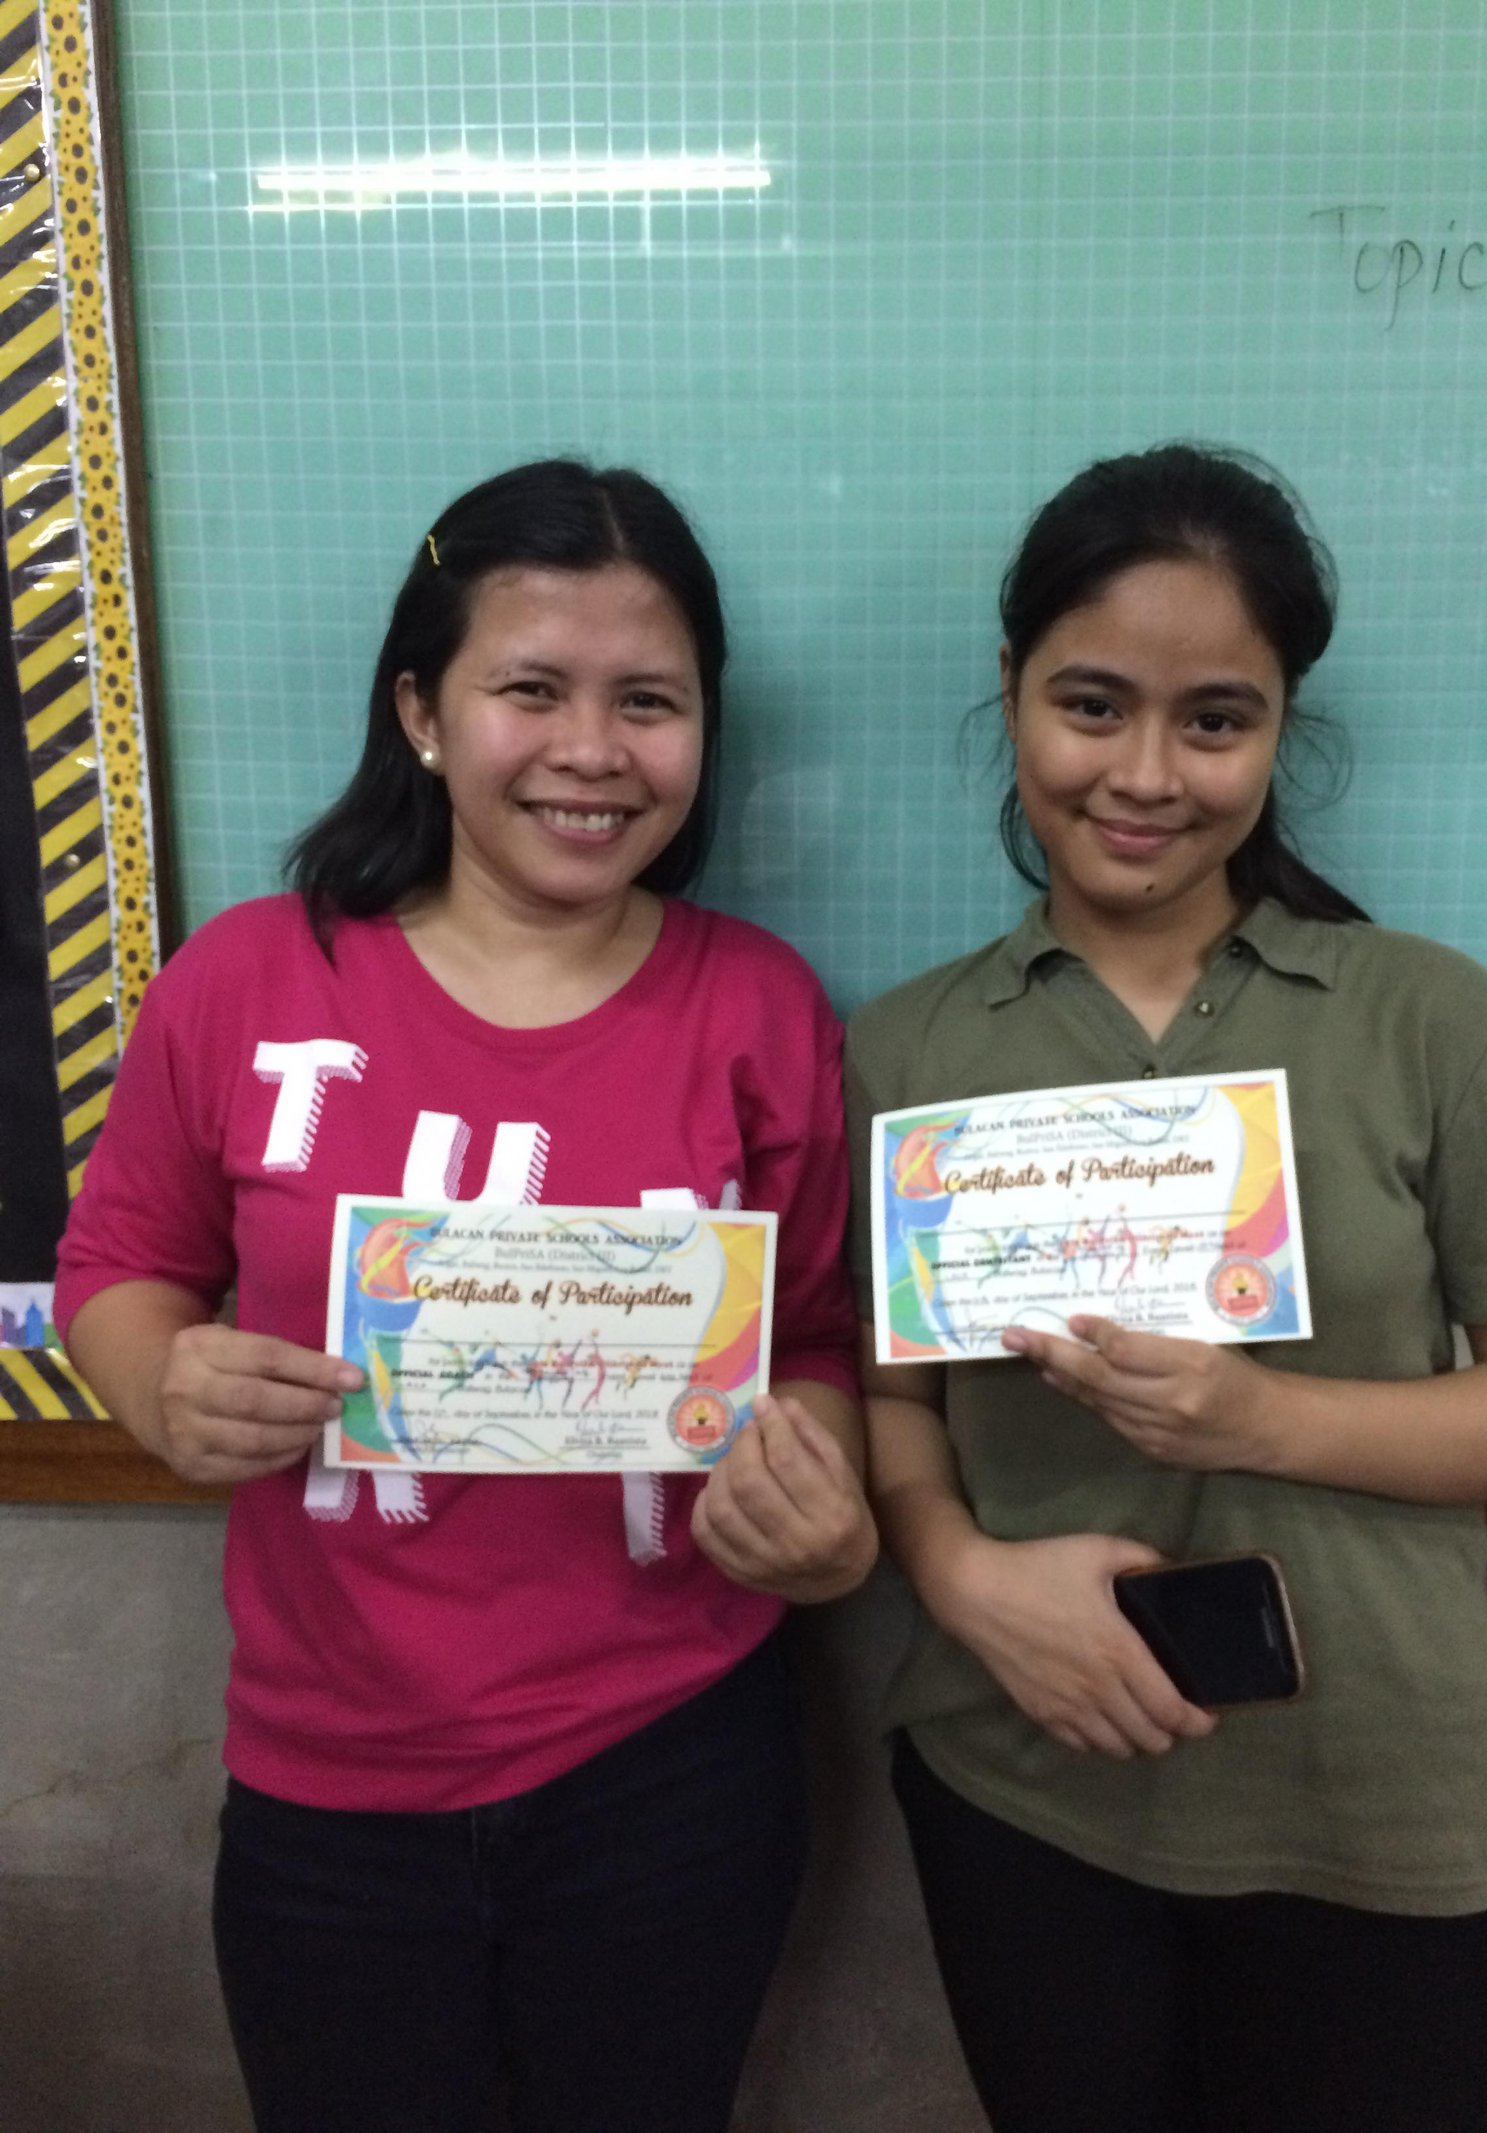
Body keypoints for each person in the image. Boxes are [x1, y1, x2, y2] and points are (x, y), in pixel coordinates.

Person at [56, 460, 876, 2133]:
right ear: (422, 710)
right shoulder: (248, 978)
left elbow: (808, 1332)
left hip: (674, 1758)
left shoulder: (763, 1009)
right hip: (329, 1775)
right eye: (532, 689)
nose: (593, 749)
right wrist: (160, 1385)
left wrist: (820, 1496)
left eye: (649, 700)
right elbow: (118, 1269)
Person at [845, 442, 1487, 2133]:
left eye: (1215, 719)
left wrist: (1266, 1415)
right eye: (1091, 705)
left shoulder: (1431, 1017)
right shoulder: (909, 1045)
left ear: (1279, 728)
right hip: (1021, 1780)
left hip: (1377, 1803)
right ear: (1013, 690)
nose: (1146, 773)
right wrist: (962, 1576)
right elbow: (890, 1402)